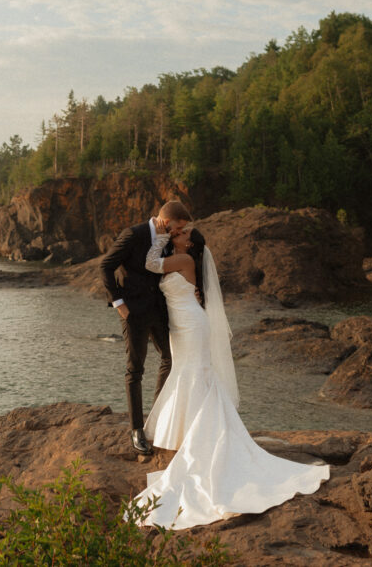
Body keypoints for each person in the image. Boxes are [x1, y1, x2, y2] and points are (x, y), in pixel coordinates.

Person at [133, 226, 330, 529]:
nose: (177, 235)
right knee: (186, 373)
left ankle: (200, 436)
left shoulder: (184, 259)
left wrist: (159, 235)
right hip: (180, 326)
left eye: (181, 234)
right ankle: (188, 434)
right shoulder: (180, 259)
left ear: (189, 244)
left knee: (194, 373)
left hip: (191, 324)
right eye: (177, 232)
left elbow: (150, 263)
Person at [100, 201, 191, 454]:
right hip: (133, 311)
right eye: (178, 227)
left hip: (160, 310)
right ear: (167, 221)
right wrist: (119, 303)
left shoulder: (168, 238)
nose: (178, 232)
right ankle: (137, 430)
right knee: (135, 368)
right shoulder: (133, 234)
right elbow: (106, 265)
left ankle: (157, 416)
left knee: (171, 358)